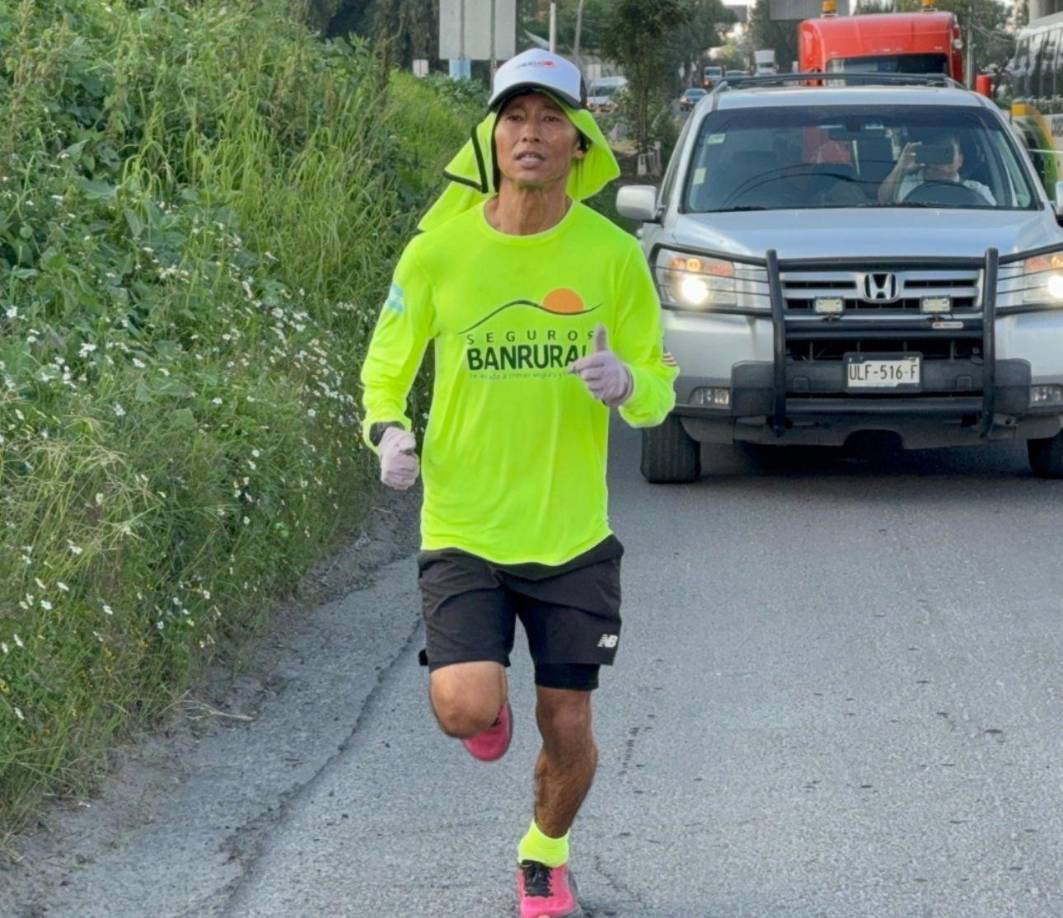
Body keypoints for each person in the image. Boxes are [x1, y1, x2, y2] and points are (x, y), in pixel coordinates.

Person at [359, 49, 677, 918]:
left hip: (571, 534)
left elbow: (656, 387)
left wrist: (630, 387)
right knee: (465, 709)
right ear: (491, 135)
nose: (529, 135)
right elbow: (385, 369)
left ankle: (543, 855)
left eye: (549, 121)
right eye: (514, 118)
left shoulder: (612, 256)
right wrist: (386, 430)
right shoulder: (438, 254)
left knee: (567, 722)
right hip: (462, 524)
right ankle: (484, 704)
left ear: (579, 144)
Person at [878, 132, 996, 205]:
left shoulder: (978, 191)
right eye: (936, 151)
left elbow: (993, 220)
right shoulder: (906, 183)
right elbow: (883, 200)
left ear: (960, 160)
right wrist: (900, 167)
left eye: (947, 151)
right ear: (927, 153)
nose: (940, 158)